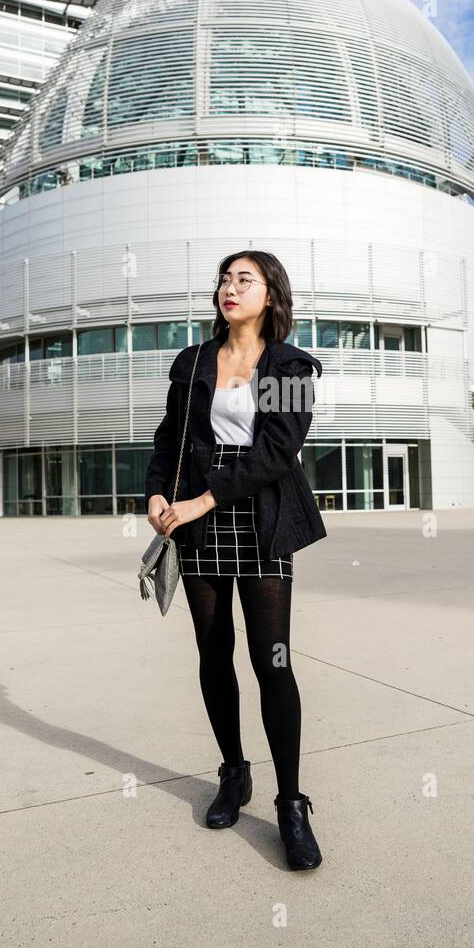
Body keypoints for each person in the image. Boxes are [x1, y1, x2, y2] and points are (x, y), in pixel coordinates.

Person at [144, 251, 327, 870]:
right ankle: (233, 774)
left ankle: (291, 805)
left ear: (271, 294)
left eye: (244, 279)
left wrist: (199, 501)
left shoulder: (289, 366)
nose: (229, 288)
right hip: (196, 516)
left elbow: (279, 453)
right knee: (213, 654)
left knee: (271, 662)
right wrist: (156, 492)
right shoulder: (193, 360)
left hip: (262, 512)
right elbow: (170, 435)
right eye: (224, 278)